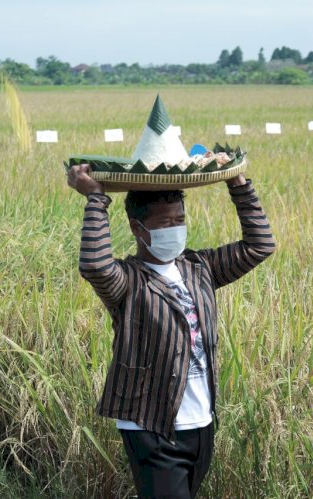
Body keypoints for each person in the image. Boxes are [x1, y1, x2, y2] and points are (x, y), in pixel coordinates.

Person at [67, 164, 276, 498]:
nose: (175, 229)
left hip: (201, 422)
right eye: (165, 223)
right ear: (138, 228)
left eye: (179, 220)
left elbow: (259, 245)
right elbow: (94, 265)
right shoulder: (127, 282)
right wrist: (95, 198)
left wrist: (237, 182)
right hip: (152, 427)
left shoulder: (200, 268)